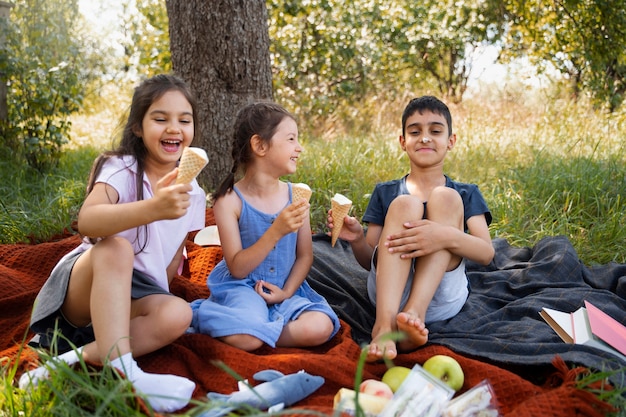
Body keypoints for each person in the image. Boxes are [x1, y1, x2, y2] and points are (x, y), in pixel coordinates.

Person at [19, 74, 206, 412]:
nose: (173, 128)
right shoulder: (120, 168)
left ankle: (70, 361)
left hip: (132, 298)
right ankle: (125, 371)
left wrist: (159, 303)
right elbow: (88, 223)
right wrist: (152, 209)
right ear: (137, 127)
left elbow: (171, 257)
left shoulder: (193, 194)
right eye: (160, 118)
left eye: (184, 119)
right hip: (86, 286)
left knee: (179, 314)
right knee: (117, 247)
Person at [328, 95, 494, 362]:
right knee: (405, 204)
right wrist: (358, 238)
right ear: (403, 142)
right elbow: (370, 258)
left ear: (451, 141)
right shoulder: (386, 192)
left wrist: (443, 235)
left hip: (440, 297)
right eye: (415, 131)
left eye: (435, 131)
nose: (425, 138)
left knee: (446, 198)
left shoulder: (466, 193)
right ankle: (383, 326)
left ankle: (414, 313)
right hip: (387, 298)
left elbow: (486, 253)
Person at [189, 101, 340, 351]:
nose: (299, 148)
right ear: (260, 145)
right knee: (246, 339)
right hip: (242, 287)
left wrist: (287, 292)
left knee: (320, 327)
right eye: (291, 139)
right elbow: (237, 268)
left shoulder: (297, 196)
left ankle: (258, 330)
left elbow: (304, 256)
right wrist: (276, 231)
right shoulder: (229, 201)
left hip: (284, 288)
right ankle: (236, 325)